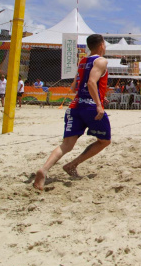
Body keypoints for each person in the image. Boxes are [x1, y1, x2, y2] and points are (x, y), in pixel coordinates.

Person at [33, 34, 111, 191]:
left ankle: (44, 169)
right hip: (90, 107)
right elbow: (91, 82)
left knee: (66, 144)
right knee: (104, 140)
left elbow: (75, 86)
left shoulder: (82, 61)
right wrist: (98, 104)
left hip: (75, 106)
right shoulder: (101, 61)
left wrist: (99, 96)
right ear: (101, 45)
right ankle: (73, 164)